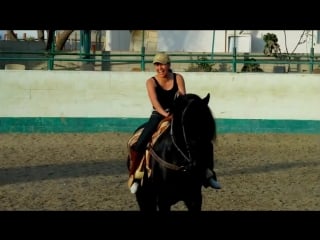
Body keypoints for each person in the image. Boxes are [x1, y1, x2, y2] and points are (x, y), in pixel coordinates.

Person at [128, 52, 221, 194]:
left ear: (169, 65)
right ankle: (135, 176)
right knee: (140, 142)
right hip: (158, 115)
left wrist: (178, 114)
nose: (160, 68)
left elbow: (182, 97)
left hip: (177, 114)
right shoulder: (151, 82)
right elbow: (155, 103)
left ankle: (208, 174)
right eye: (157, 65)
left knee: (200, 140)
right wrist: (166, 115)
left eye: (162, 64)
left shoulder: (178, 78)